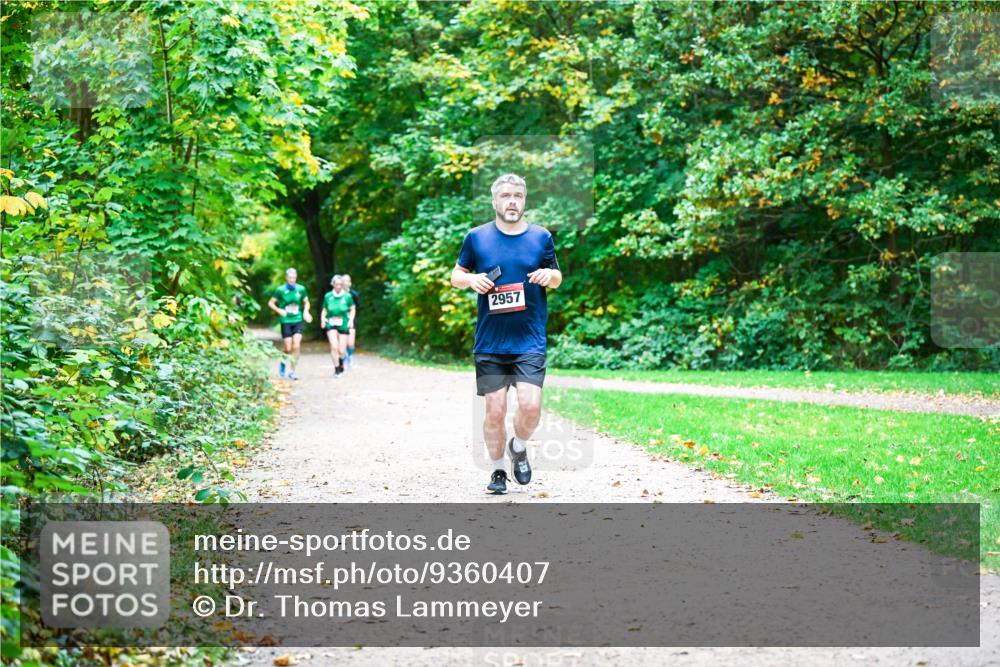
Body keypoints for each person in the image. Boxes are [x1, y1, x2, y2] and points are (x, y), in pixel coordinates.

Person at [450, 173, 562, 494]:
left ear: (524, 201)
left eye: (518, 196)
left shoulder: (541, 237)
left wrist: (548, 275)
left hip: (529, 339)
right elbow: (456, 274)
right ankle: (498, 470)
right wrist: (471, 281)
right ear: (495, 201)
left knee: (530, 407)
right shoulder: (477, 237)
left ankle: (518, 445)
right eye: (506, 196)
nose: (513, 201)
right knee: (495, 410)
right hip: (490, 341)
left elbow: (557, 276)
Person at [267, 268, 311, 380]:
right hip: (286, 320)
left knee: (296, 345)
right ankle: (283, 360)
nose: (292, 280)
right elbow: (271, 303)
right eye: (290, 278)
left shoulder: (301, 289)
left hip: (297, 319)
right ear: (286, 278)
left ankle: (292, 371)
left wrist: (306, 311)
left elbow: (306, 302)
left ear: (296, 278)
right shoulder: (280, 290)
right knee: (288, 347)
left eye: (294, 278)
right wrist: (279, 311)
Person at [321, 274, 355, 377]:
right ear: (333, 285)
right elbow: (324, 309)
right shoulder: (328, 296)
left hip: (343, 324)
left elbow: (352, 309)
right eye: (337, 284)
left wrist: (351, 320)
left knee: (342, 350)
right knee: (334, 346)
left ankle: (341, 363)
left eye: (341, 284)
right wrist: (323, 319)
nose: (339, 286)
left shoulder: (347, 296)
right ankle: (336, 369)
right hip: (331, 323)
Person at [343, 274, 360, 369]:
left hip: (351, 319)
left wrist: (353, 318)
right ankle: (344, 356)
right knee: (342, 341)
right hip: (340, 321)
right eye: (343, 281)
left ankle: (350, 355)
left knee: (350, 343)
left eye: (347, 281)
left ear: (350, 283)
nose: (345, 283)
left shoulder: (354, 294)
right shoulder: (337, 294)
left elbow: (358, 307)